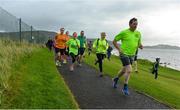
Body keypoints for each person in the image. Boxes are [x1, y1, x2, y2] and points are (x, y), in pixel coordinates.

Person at [112, 18, 143, 95]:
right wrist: (119, 49)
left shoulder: (138, 33)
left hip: (132, 54)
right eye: (134, 24)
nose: (136, 25)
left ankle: (116, 79)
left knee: (124, 70)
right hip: (124, 53)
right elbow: (114, 41)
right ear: (130, 24)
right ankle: (125, 87)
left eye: (137, 24)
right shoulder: (124, 32)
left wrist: (140, 46)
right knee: (129, 70)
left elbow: (138, 43)